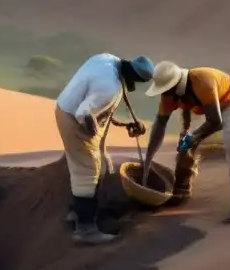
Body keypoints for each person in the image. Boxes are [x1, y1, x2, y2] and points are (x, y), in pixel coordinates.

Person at [55, 53, 155, 245]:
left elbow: (96, 104)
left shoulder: (106, 58)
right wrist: (90, 130)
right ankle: (85, 229)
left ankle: (78, 211)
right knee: (88, 170)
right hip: (73, 119)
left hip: (65, 106)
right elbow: (84, 112)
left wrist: (123, 124)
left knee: (100, 162)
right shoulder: (110, 88)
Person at [143, 61, 230, 223]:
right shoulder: (168, 95)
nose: (164, 94)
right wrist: (148, 158)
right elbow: (159, 125)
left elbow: (215, 121)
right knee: (185, 144)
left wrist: (194, 137)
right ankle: (182, 190)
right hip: (203, 108)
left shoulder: (202, 81)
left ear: (177, 86)